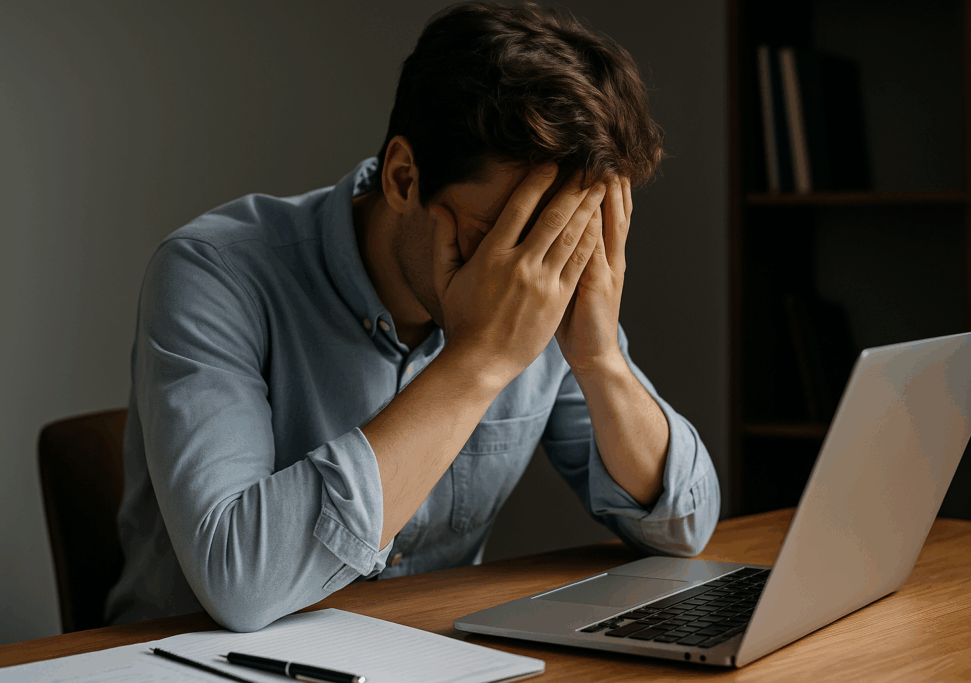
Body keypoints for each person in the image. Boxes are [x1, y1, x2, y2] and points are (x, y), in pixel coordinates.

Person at [105, 0, 720, 632]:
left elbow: (684, 528)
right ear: (403, 177)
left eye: (561, 238)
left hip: (433, 659)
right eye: (503, 234)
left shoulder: (548, 286)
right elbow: (240, 581)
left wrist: (601, 362)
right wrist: (480, 362)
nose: (530, 274)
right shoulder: (214, 271)